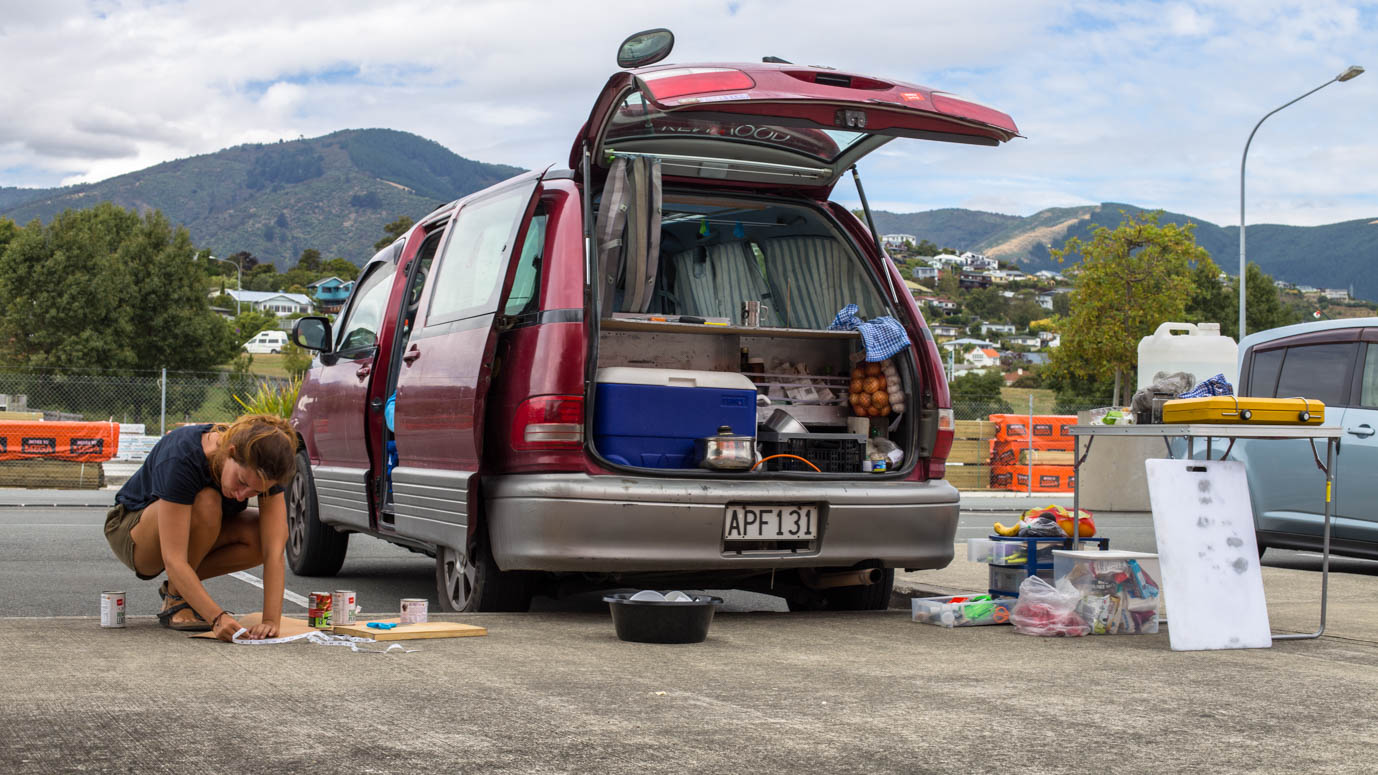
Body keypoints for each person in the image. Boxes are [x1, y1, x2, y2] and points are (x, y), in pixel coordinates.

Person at [103, 414, 298, 642]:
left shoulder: (266, 468)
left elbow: (273, 552)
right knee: (207, 502)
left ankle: (179, 591)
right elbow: (173, 559)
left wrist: (271, 621)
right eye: (242, 482)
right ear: (231, 452)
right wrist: (217, 618)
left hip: (187, 534)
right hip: (132, 532)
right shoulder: (183, 456)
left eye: (256, 492)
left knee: (262, 536)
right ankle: (176, 601)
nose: (242, 495)